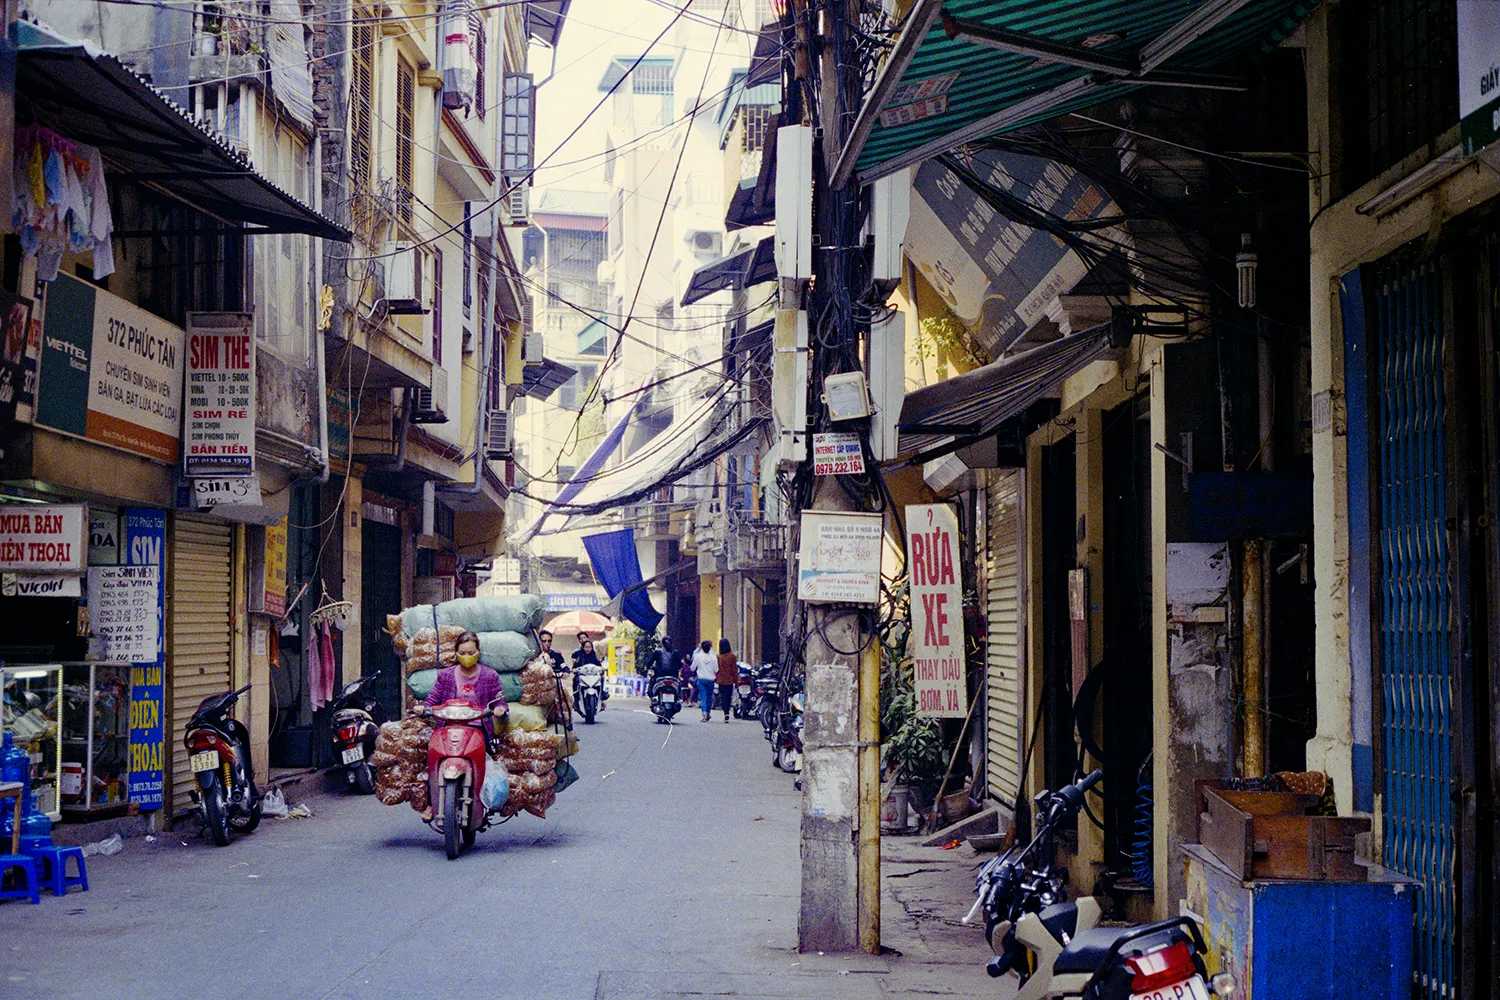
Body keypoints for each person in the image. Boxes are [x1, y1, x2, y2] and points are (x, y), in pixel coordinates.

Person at [419, 631, 506, 820]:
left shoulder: (489, 675)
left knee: (484, 760)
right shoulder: (445, 675)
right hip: (447, 727)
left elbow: (499, 700)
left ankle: (483, 799)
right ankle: (431, 803)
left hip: (478, 728)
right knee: (432, 760)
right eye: (462, 653)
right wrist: (423, 708)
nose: (467, 657)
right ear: (456, 653)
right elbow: (433, 698)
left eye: (471, 653)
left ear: (478, 652)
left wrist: (499, 709)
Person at [690, 640, 718, 722]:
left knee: (703, 697)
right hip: (711, 680)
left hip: (701, 679)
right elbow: (716, 669)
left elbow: (692, 668)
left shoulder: (698, 656)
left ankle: (704, 713)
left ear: (702, 647)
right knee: (709, 698)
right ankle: (708, 713)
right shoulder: (713, 657)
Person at [715, 638, 738, 723]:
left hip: (721, 679)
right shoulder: (732, 656)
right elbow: (734, 669)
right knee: (728, 696)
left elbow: (717, 669)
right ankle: (727, 712)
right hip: (729, 679)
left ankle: (726, 713)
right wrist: (736, 682)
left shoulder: (718, 657)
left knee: (723, 696)